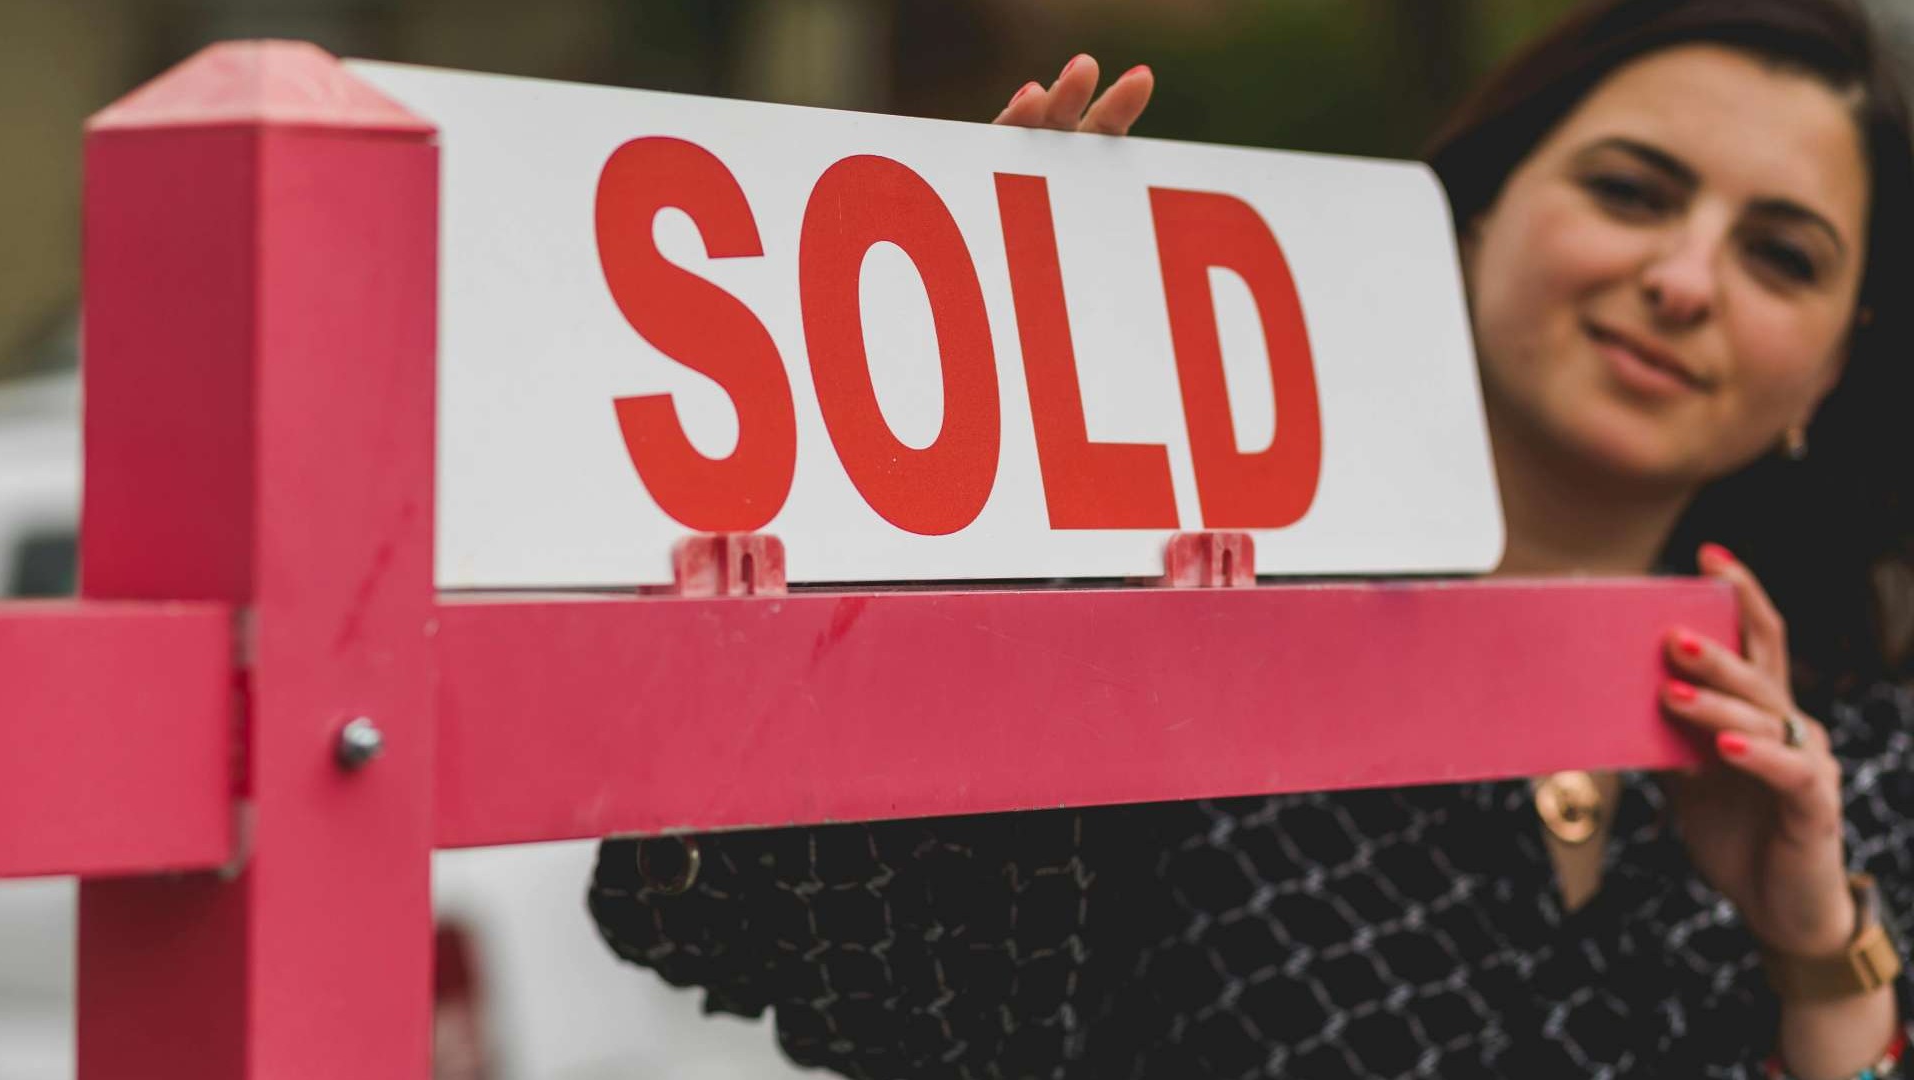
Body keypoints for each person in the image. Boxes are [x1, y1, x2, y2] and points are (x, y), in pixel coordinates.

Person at [589, 0, 1914, 1074]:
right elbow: (748, 935)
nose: (1684, 280)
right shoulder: (1168, 621)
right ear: (1472, 212)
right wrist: (929, 484)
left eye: (1781, 256)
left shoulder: (1863, 758)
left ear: (1838, 367)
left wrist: (1820, 954)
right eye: (1633, 192)